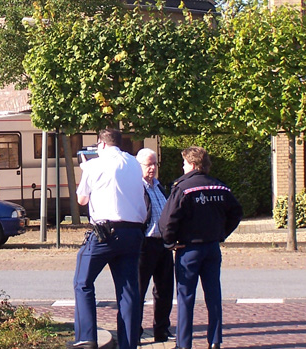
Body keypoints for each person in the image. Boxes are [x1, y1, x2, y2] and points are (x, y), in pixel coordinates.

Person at [160, 146, 243, 349]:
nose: (183, 166)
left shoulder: (183, 188)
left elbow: (167, 220)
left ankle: (184, 343)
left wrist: (170, 241)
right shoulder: (220, 187)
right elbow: (236, 212)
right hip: (212, 248)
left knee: (186, 296)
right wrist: (222, 233)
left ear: (193, 164)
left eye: (185, 163)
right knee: (213, 295)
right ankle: (214, 340)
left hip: (188, 249)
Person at [72, 129, 146, 349]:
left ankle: (86, 337)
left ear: (101, 145)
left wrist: (85, 168)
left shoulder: (94, 165)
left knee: (82, 282)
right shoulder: (134, 163)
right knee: (128, 290)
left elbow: (82, 199)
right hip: (133, 232)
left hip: (106, 232)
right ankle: (129, 343)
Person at [136, 148, 174, 343]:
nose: (152, 168)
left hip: (164, 244)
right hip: (145, 245)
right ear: (139, 166)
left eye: (155, 164)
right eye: (148, 164)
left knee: (165, 290)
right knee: (139, 290)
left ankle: (162, 329)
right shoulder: (136, 187)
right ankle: (135, 331)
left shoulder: (159, 186)